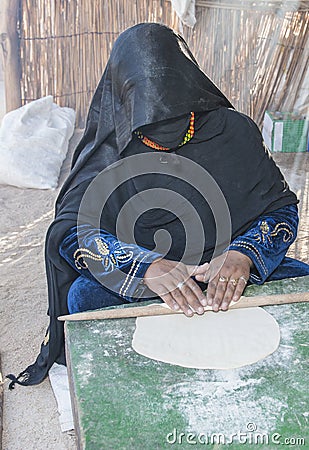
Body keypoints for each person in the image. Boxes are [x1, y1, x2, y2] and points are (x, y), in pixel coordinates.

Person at [8, 23, 309, 388]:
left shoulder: (234, 131)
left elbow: (280, 209)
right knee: (82, 298)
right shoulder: (109, 150)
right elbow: (72, 234)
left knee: (300, 280)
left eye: (177, 121)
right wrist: (145, 267)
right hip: (144, 278)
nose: (164, 138)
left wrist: (242, 255)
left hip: (225, 274)